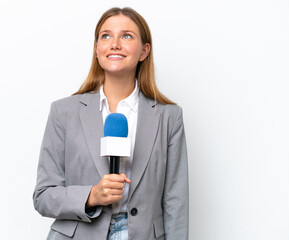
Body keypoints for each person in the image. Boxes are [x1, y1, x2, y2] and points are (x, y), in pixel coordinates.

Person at [33, 7, 188, 240]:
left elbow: (176, 201)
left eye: (126, 36)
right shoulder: (63, 112)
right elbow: (43, 196)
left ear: (144, 51)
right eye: (106, 36)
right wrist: (92, 195)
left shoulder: (169, 117)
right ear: (97, 49)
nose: (115, 43)